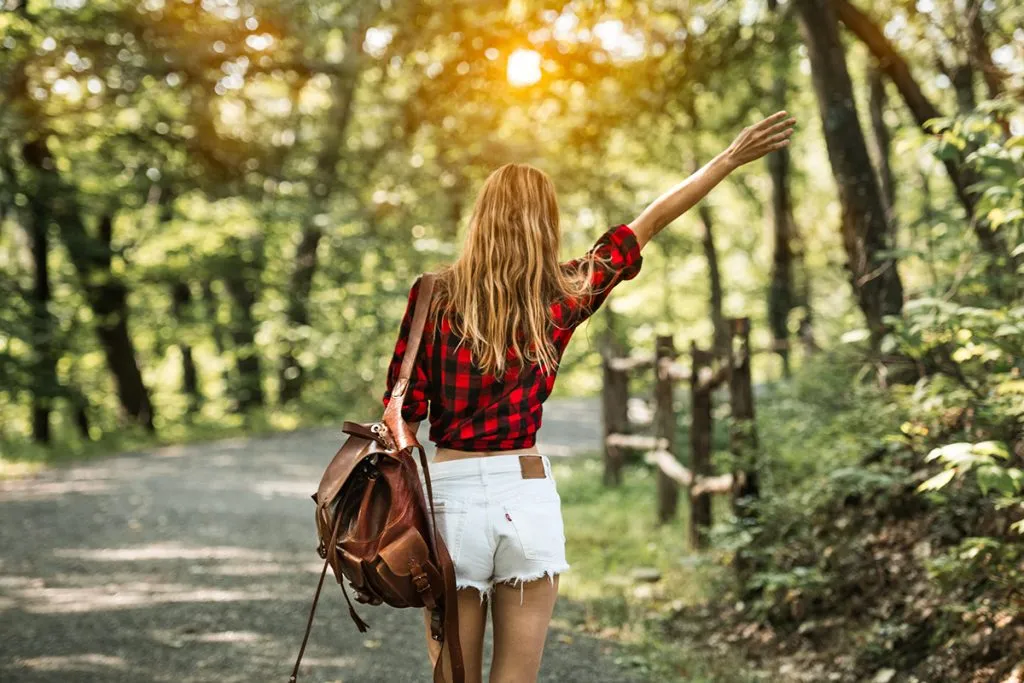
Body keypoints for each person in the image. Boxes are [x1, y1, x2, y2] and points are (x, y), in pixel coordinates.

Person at [381, 111, 796, 683]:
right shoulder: (564, 292)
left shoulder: (433, 296)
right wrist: (727, 159)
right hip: (523, 497)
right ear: (546, 224)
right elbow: (645, 224)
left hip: (449, 504)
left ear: (480, 220)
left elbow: (402, 411)